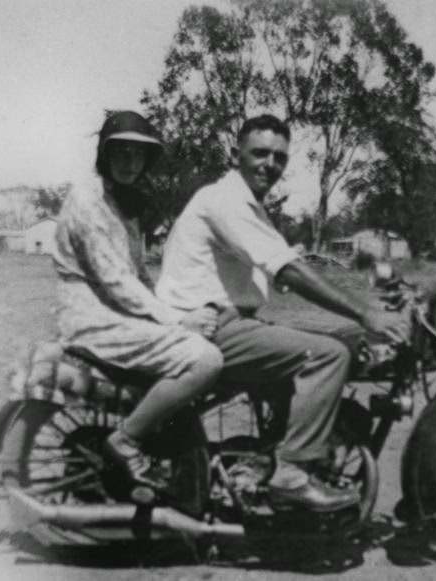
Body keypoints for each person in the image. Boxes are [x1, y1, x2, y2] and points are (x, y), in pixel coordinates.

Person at [156, 114, 410, 513]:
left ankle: (292, 449)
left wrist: (367, 305)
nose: (268, 164)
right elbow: (287, 269)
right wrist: (366, 314)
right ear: (236, 153)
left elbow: (288, 263)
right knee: (329, 354)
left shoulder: (248, 206)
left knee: (341, 338)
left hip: (231, 323)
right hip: (204, 327)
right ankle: (290, 473)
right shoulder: (225, 200)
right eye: (259, 153)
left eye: (278, 157)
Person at [51, 110, 223, 489]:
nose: (130, 162)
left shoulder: (123, 204)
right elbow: (115, 282)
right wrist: (178, 321)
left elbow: (139, 277)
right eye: (122, 153)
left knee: (205, 337)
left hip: (116, 313)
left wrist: (182, 310)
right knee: (206, 360)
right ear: (104, 154)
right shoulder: (87, 200)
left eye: (138, 155)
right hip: (91, 317)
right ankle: (125, 440)